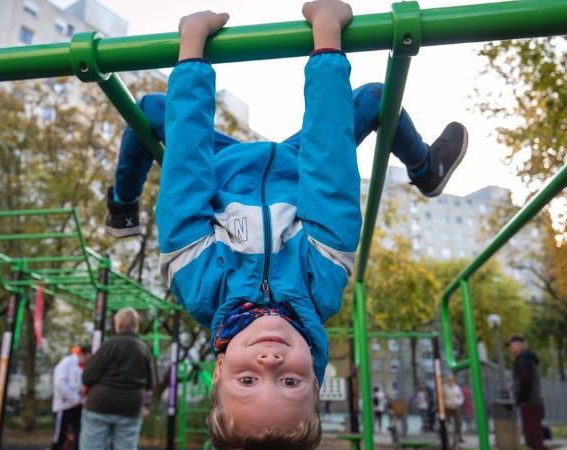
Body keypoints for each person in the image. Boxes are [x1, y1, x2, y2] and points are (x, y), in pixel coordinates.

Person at [105, 1, 467, 447]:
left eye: (248, 382)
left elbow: (185, 174)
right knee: (375, 98)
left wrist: (192, 48)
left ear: (218, 372)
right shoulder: (322, 279)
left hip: (224, 166)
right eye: (291, 384)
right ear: (316, 379)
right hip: (300, 164)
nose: (270, 361)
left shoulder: (197, 282)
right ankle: (426, 169)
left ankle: (121, 205)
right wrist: (327, 42)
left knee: (151, 112)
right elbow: (329, 163)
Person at [80, 308, 154, 450]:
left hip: (100, 404)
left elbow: (87, 376)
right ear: (136, 326)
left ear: (118, 325)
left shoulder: (108, 345)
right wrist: (145, 406)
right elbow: (150, 384)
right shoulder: (143, 349)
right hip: (130, 407)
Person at [508, 336, 549, 450]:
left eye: (511, 346)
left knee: (532, 438)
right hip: (535, 401)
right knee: (535, 437)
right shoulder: (528, 358)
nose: (510, 349)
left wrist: (521, 399)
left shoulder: (523, 359)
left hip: (530, 402)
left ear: (518, 346)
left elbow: (524, 380)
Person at [52, 345, 91, 450]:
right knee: (59, 437)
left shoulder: (83, 367)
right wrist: (77, 399)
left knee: (79, 436)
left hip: (78, 408)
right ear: (82, 354)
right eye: (88, 357)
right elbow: (60, 383)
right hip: (63, 407)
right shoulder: (67, 362)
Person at [443, 375, 464, 444]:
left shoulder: (457, 388)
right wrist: (448, 404)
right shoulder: (444, 388)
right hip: (447, 407)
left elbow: (461, 397)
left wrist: (457, 403)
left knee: (458, 422)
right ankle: (447, 436)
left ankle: (458, 436)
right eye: (449, 379)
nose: (450, 381)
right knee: (446, 422)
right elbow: (442, 399)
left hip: (456, 407)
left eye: (452, 379)